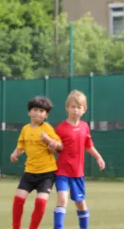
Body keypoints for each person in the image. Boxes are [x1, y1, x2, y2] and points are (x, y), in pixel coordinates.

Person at [48, 90, 106, 229]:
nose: (76, 110)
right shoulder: (61, 129)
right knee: (62, 200)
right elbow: (54, 149)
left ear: (84, 110)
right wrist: (51, 147)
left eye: (79, 107)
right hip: (62, 172)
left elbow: (89, 145)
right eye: (73, 107)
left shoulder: (85, 126)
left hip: (77, 173)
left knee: (80, 203)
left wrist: (98, 157)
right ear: (67, 108)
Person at [10, 96, 62, 229]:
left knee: (40, 201)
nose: (38, 113)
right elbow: (21, 146)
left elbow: (59, 146)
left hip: (47, 173)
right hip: (30, 172)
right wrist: (15, 154)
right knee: (19, 199)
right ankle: (16, 227)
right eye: (35, 110)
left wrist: (49, 142)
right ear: (29, 112)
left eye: (42, 111)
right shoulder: (25, 129)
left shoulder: (47, 129)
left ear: (46, 114)